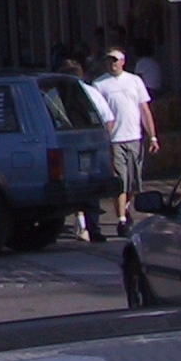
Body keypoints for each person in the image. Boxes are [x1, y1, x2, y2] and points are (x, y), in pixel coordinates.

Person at [95, 47, 158, 236]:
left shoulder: (134, 81)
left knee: (133, 181)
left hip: (134, 137)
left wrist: (152, 136)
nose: (112, 64)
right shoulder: (100, 84)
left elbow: (144, 110)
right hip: (114, 140)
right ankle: (121, 220)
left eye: (115, 60)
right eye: (109, 61)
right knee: (120, 180)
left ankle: (126, 208)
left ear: (123, 62)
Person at [57, 58, 114, 241]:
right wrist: (103, 141)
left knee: (70, 185)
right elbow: (108, 119)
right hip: (89, 144)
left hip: (66, 145)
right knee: (90, 185)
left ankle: (80, 221)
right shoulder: (91, 92)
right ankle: (92, 227)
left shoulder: (54, 94)